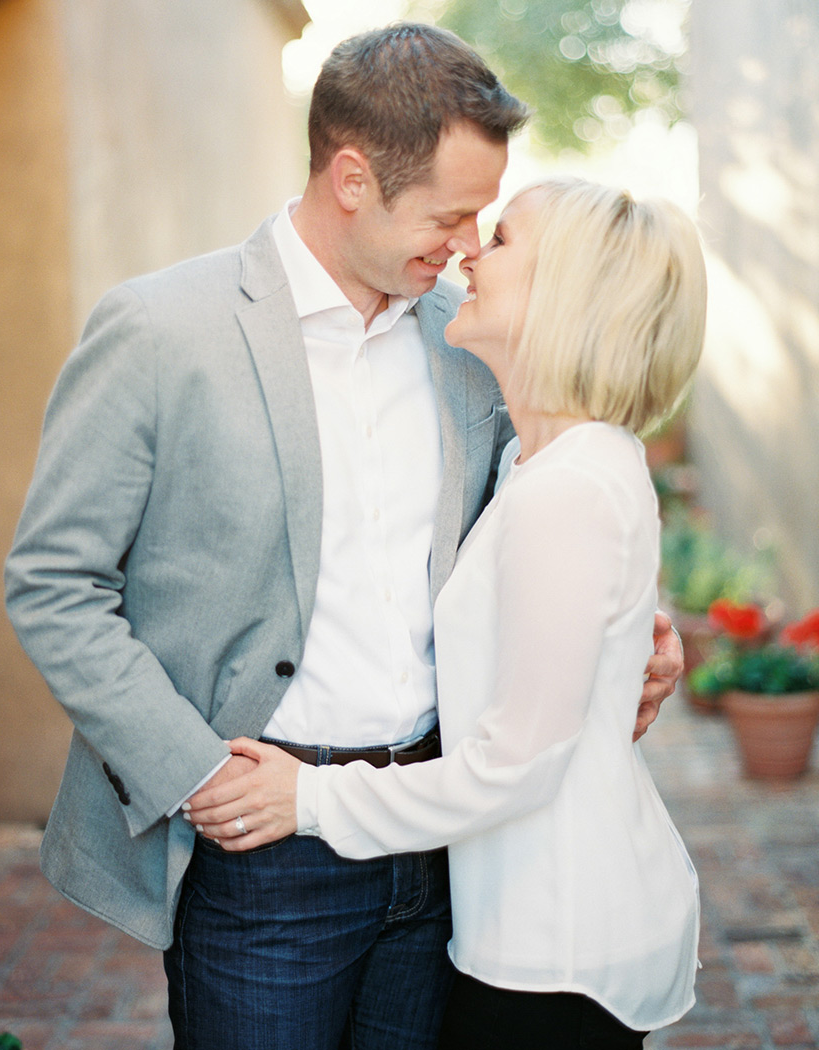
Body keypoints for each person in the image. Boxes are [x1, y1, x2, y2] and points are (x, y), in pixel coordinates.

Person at [4, 22, 683, 1050]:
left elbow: (564, 496)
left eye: (483, 222)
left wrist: (642, 622)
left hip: (448, 850)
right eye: (450, 214)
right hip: (264, 854)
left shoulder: (471, 348)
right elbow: (54, 584)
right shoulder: (160, 331)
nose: (464, 244)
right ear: (354, 178)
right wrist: (198, 774)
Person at [189, 177, 707, 1048]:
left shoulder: (566, 487)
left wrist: (307, 796)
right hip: (544, 918)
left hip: (557, 951)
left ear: (568, 295)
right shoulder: (549, 462)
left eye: (502, 241)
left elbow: (515, 765)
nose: (470, 251)